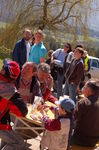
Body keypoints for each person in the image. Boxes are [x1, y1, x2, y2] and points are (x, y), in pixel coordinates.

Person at [0, 59, 28, 150]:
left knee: (10, 131)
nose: (2, 68)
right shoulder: (10, 90)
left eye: (4, 67)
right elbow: (23, 111)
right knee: (19, 143)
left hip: (3, 121)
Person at [71, 79, 99, 147]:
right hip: (95, 141)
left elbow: (72, 119)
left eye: (85, 86)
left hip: (80, 139)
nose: (83, 88)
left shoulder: (83, 103)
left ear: (89, 90)